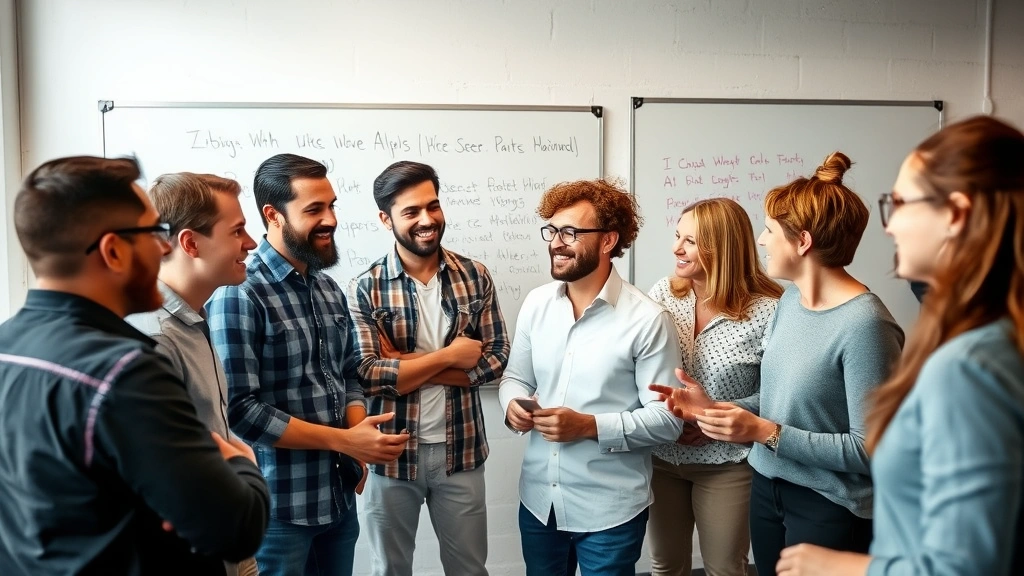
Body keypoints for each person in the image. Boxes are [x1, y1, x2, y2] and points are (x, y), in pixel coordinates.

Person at [776, 117, 1024, 576]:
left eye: (901, 204)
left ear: (955, 213)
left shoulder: (969, 366)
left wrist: (843, 568)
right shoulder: (994, 337)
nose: (888, 227)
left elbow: (964, 567)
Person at [0, 156, 269, 575]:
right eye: (152, 233)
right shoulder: (125, 372)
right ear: (113, 251)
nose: (164, 248)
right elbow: (234, 527)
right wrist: (242, 465)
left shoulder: (7, 345)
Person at [660, 153, 905, 576]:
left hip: (828, 503)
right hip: (768, 486)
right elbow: (780, 399)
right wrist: (715, 408)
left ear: (803, 242)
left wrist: (764, 432)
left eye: (769, 230)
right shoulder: (790, 300)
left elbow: (872, 449)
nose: (759, 240)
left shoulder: (866, 325)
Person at [206, 153, 409, 576]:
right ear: (273, 215)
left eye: (331, 205)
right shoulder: (240, 292)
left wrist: (356, 432)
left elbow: (348, 373)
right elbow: (241, 410)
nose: (330, 219)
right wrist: (343, 441)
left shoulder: (328, 287)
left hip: (336, 498)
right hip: (278, 509)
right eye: (314, 209)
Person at [498, 179, 684, 576]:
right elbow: (514, 377)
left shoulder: (648, 320)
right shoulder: (536, 304)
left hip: (610, 510)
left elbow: (668, 420)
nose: (556, 242)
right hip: (538, 503)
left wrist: (587, 426)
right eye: (552, 230)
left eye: (571, 232)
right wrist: (512, 405)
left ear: (607, 241)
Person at [348, 161, 509, 576]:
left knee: (469, 570)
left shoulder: (475, 276)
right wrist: (451, 356)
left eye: (432, 206)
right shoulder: (366, 286)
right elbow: (367, 370)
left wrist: (402, 363)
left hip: (462, 451)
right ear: (386, 219)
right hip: (392, 454)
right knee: (390, 569)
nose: (427, 220)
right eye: (411, 212)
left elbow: (495, 360)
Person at [126, 172, 260, 576]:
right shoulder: (158, 338)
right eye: (237, 231)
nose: (251, 243)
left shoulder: (195, 319)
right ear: (190, 242)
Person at [646, 198, 782, 576]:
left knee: (724, 567)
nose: (676, 248)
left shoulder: (770, 310)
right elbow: (642, 370)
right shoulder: (663, 294)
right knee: (664, 565)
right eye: (677, 236)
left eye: (689, 241)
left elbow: (779, 394)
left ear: (720, 247)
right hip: (663, 455)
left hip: (727, 463)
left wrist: (711, 416)